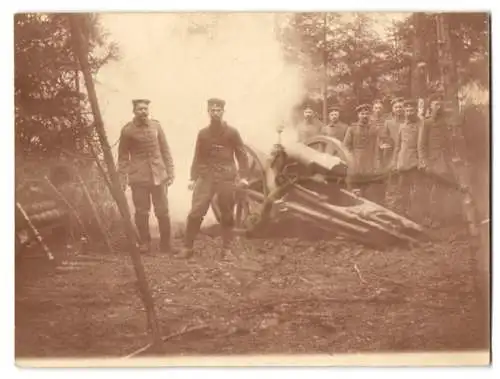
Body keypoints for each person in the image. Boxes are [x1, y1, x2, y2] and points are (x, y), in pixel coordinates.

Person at [181, 98, 249, 259]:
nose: (216, 113)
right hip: (207, 177)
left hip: (226, 177)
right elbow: (198, 156)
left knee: (227, 214)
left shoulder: (232, 132)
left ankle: (227, 250)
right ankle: (187, 248)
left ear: (223, 112)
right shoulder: (203, 133)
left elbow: (242, 154)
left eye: (219, 110)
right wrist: (193, 177)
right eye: (213, 110)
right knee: (196, 212)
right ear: (208, 112)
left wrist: (244, 177)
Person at [117, 99, 175, 254]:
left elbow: (165, 150)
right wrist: (122, 178)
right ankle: (145, 243)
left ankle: (165, 244)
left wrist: (170, 171)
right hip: (139, 178)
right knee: (142, 211)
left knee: (162, 211)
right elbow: (123, 157)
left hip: (158, 176)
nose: (143, 112)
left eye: (145, 109)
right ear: (134, 111)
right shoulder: (127, 130)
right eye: (140, 109)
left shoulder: (156, 126)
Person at [343, 104, 387, 204]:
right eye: (362, 114)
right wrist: (350, 161)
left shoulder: (374, 129)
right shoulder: (352, 128)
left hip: (370, 163)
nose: (365, 116)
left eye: (367, 113)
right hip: (355, 163)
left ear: (370, 115)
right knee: (355, 190)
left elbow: (377, 145)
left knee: (369, 191)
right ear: (358, 115)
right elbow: (346, 147)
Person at [392, 99, 424, 217]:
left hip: (415, 162)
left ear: (415, 111)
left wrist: (421, 161)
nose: (409, 113)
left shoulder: (421, 124)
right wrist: (395, 162)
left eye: (412, 110)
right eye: (407, 111)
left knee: (417, 190)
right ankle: (402, 213)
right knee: (402, 190)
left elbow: (422, 145)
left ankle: (416, 213)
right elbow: (398, 146)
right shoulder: (401, 126)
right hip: (403, 162)